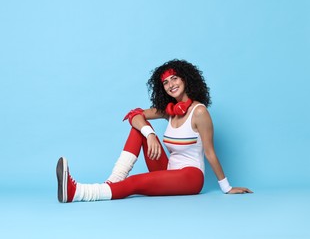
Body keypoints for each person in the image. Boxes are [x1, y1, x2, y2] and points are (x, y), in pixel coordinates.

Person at [56, 59, 252, 203]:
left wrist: (227, 187)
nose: (171, 85)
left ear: (186, 80)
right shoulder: (169, 111)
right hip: (168, 171)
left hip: (190, 177)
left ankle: (78, 192)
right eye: (166, 82)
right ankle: (113, 182)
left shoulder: (199, 112)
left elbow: (210, 152)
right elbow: (135, 115)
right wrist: (149, 134)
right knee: (139, 129)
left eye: (175, 79)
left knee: (136, 183)